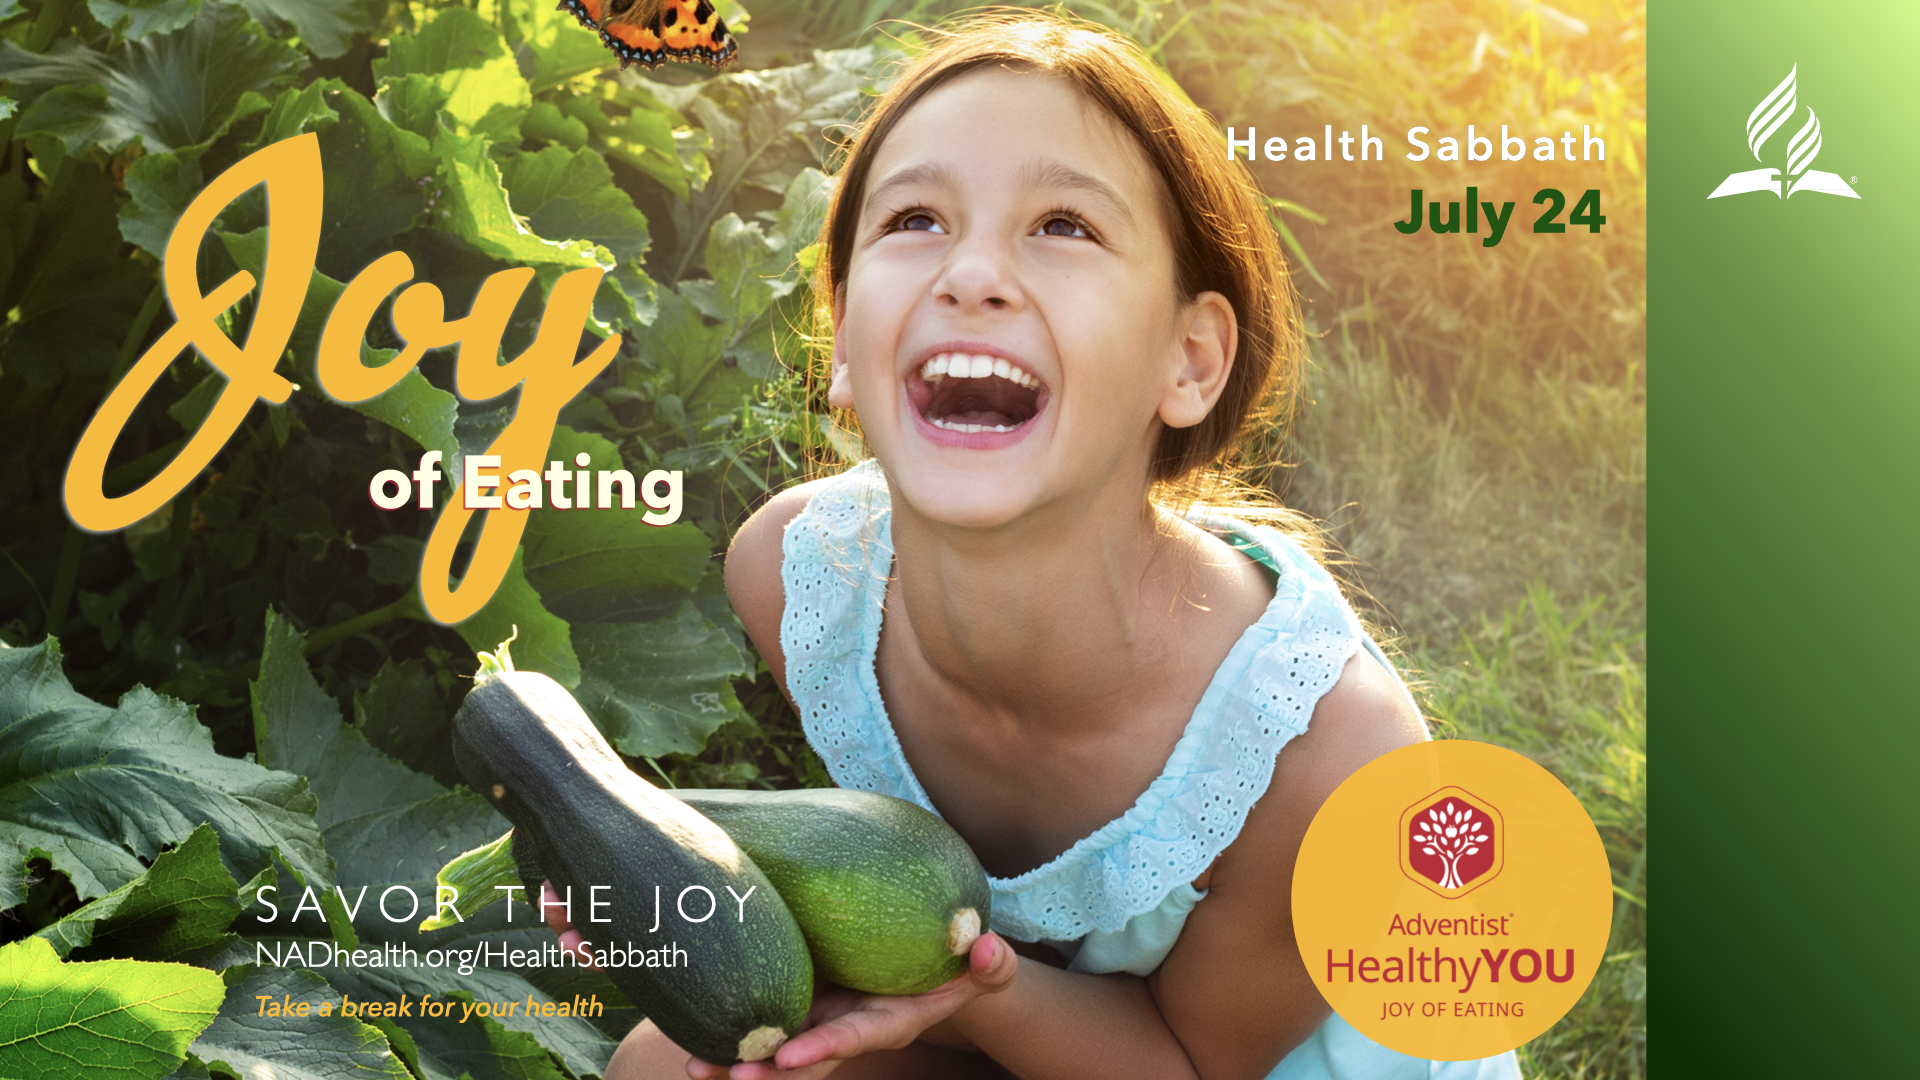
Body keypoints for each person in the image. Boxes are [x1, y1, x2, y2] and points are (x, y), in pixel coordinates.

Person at [550, 13, 1523, 1080]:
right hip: (998, 1016)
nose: (973, 273)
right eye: (915, 217)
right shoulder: (798, 582)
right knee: (659, 1071)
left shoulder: (1323, 759)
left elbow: (1192, 1067)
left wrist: (967, 994)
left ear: (1188, 359)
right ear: (840, 343)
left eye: (1063, 226)